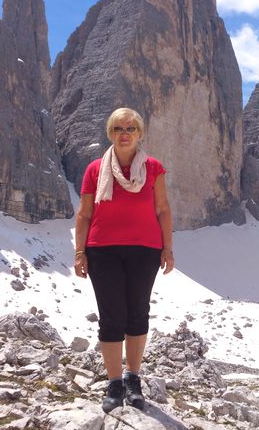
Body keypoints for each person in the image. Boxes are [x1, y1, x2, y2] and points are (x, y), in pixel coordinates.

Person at [74, 107, 174, 413]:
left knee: (137, 313)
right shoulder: (95, 169)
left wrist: (167, 248)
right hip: (102, 250)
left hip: (145, 250)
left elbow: (163, 210)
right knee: (111, 316)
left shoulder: (153, 169)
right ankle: (114, 383)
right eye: (118, 128)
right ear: (110, 133)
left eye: (131, 128)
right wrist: (80, 252)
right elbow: (85, 213)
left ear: (140, 133)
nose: (125, 133)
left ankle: (133, 379)